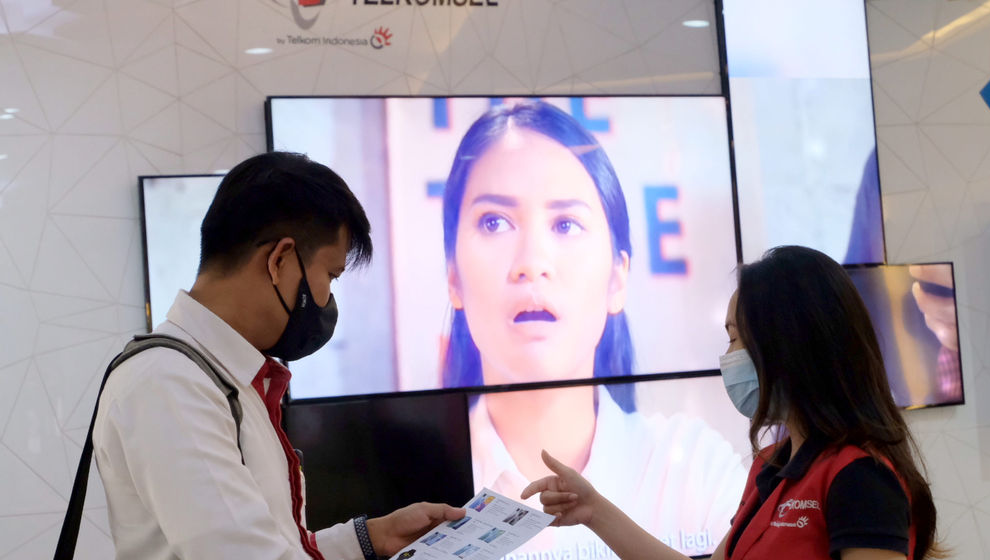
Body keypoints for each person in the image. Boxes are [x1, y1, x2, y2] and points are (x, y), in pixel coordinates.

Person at [93, 152, 464, 559]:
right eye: (330, 275)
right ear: (280, 260)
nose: (327, 299)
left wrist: (370, 539)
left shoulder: (219, 378)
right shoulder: (169, 384)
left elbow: (272, 545)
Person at [441, 100, 747, 556]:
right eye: (495, 222)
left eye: (566, 223)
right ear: (453, 276)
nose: (532, 263)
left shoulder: (694, 469)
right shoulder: (418, 483)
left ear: (618, 278)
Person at [523, 245, 944, 560]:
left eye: (735, 338)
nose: (728, 358)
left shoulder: (860, 477)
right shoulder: (772, 466)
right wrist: (594, 510)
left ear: (790, 345)